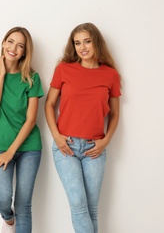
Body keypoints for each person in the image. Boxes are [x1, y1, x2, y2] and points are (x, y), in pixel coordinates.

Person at [45, 22, 121, 233]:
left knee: (91, 209)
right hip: (65, 146)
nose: (82, 47)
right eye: (77, 43)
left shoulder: (110, 75)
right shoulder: (64, 69)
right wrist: (57, 136)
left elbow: (115, 114)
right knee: (78, 205)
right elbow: (49, 104)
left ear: (96, 42)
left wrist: (105, 141)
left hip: (94, 149)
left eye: (87, 41)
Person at [0, 27, 44, 233]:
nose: (13, 48)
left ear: (24, 52)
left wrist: (11, 151)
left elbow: (31, 120)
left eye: (20, 45)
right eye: (10, 41)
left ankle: (16, 220)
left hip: (29, 147)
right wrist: (2, 74)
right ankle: (8, 219)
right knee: (3, 198)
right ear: (3, 43)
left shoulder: (32, 78)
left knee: (24, 205)